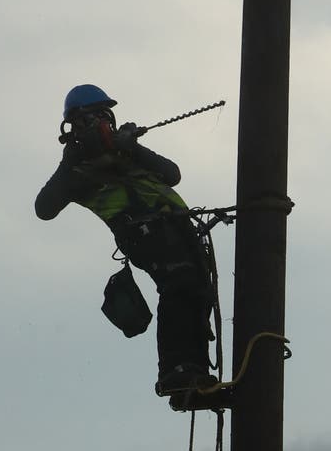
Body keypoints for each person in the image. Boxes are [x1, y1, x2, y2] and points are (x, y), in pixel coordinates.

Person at [36, 84, 215, 396]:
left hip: (177, 229)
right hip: (143, 233)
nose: (103, 123)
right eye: (94, 118)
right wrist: (70, 161)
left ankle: (195, 370)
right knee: (178, 286)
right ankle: (176, 370)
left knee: (197, 290)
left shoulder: (126, 152)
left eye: (105, 116)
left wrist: (133, 147)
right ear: (75, 125)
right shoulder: (77, 169)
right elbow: (44, 209)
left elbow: (172, 174)